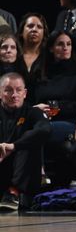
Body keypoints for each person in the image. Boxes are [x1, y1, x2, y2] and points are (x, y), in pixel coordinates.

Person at [0, 73, 51, 211]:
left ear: (25, 93)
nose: (14, 95)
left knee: (30, 138)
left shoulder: (33, 112)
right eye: (8, 90)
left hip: (25, 172)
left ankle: (13, 193)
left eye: (18, 90)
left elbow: (45, 130)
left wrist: (14, 146)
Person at [17, 14, 48, 86]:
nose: (34, 29)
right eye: (30, 26)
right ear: (22, 31)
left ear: (44, 33)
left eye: (39, 27)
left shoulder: (49, 57)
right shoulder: (13, 54)